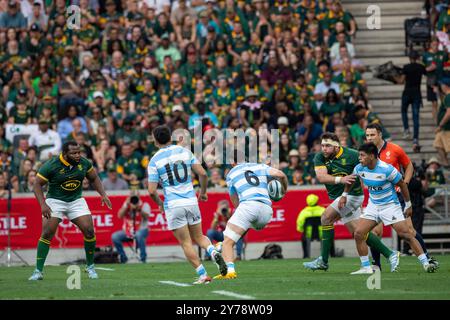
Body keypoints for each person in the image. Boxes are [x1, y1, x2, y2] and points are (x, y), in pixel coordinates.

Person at [303, 132, 398, 272]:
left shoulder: (353, 155)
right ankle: (387, 256)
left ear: (336, 146)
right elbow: (322, 177)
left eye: (327, 146)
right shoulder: (319, 157)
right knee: (358, 232)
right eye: (322, 145)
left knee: (326, 218)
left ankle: (323, 261)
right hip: (341, 197)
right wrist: (340, 180)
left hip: (351, 195)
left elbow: (369, 166)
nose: (324, 148)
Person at [340, 143, 437, 273]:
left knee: (406, 235)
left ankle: (426, 263)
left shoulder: (387, 169)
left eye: (362, 155)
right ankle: (366, 267)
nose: (359, 158)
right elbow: (351, 181)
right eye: (359, 155)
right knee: (358, 233)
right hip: (373, 206)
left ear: (372, 156)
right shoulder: (359, 168)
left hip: (390, 206)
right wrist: (344, 195)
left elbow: (403, 185)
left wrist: (408, 205)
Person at [147, 125, 226, 284]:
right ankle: (212, 250)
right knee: (200, 236)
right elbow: (203, 173)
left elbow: (151, 191)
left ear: (155, 141)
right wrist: (203, 192)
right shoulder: (184, 151)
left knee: (186, 242)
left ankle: (203, 275)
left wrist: (160, 204)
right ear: (170, 137)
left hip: (174, 205)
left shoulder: (154, 160)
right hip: (191, 201)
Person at [29, 141, 112, 281]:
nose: (78, 155)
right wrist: (43, 205)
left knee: (89, 230)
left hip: (76, 200)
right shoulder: (51, 165)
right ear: (64, 154)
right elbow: (37, 184)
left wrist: (103, 194)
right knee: (47, 232)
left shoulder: (84, 163)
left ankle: (90, 267)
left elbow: (94, 178)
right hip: (55, 200)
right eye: (74, 153)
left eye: (79, 152)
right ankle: (38, 271)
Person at [365, 123, 438, 268]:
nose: (369, 138)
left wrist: (405, 182)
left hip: (396, 197)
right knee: (375, 232)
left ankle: (427, 259)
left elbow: (409, 165)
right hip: (377, 198)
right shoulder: (365, 152)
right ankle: (376, 265)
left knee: (409, 231)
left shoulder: (395, 149)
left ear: (380, 134)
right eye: (367, 135)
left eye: (372, 135)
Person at [213, 152, 289, 280]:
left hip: (248, 206)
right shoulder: (260, 166)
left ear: (233, 163)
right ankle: (224, 245)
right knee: (244, 226)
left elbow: (233, 197)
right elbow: (281, 174)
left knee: (227, 241)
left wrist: (239, 211)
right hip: (266, 211)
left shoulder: (231, 173)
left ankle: (229, 271)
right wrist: (283, 191)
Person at [397, 50, 426, 151]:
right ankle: (415, 139)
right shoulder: (421, 67)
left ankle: (406, 130)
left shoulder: (406, 67)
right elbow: (427, 72)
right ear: (417, 57)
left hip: (407, 92)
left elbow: (401, 81)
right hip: (417, 93)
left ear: (409, 58)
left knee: (404, 111)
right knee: (415, 117)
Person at [111, 191, 150, 263]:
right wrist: (126, 206)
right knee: (115, 236)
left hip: (142, 230)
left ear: (139, 196)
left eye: (135, 196)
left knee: (138, 234)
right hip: (127, 231)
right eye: (132, 196)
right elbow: (119, 216)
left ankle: (143, 258)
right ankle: (123, 257)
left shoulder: (144, 204)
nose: (134, 199)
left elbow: (147, 217)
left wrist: (139, 209)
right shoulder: (126, 204)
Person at [296, 194, 326, 259]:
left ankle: (306, 255)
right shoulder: (322, 210)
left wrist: (301, 230)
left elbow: (300, 222)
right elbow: (328, 220)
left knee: (303, 238)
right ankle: (332, 254)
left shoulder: (304, 211)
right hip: (322, 234)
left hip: (308, 234)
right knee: (330, 236)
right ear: (317, 201)